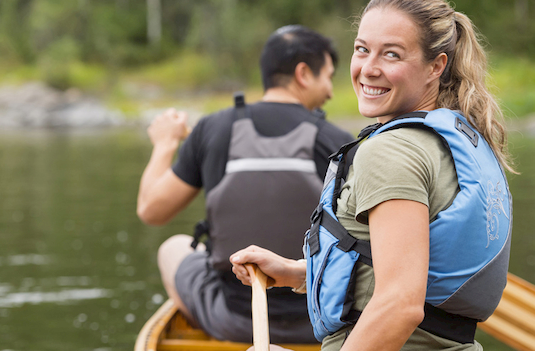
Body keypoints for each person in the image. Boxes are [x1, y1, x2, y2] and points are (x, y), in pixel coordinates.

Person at [231, 0, 515, 350]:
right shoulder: (456, 140)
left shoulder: (391, 152)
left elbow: (401, 305)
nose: (368, 69)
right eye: (362, 50)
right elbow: (404, 268)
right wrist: (296, 272)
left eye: (391, 55)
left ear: (435, 67)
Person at [136, 25, 355, 343]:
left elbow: (151, 211)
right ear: (304, 74)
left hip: (234, 320)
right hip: (319, 323)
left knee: (173, 248)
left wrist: (165, 144)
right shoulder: (337, 141)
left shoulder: (213, 129)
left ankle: (206, 326)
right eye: (328, 77)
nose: (331, 92)